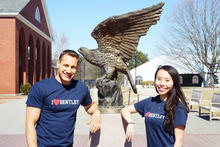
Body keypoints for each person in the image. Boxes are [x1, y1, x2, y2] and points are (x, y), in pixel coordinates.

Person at [25, 49, 101, 147]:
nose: (68, 70)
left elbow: (90, 106)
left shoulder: (81, 88)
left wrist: (97, 112)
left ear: (77, 68)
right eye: (66, 65)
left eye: (73, 67)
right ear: (58, 64)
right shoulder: (40, 87)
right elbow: (30, 124)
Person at [121, 65, 190, 147]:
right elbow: (125, 110)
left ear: (174, 83)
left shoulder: (178, 108)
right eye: (159, 79)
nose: (162, 84)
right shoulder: (149, 102)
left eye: (167, 80)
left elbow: (178, 142)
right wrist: (130, 123)